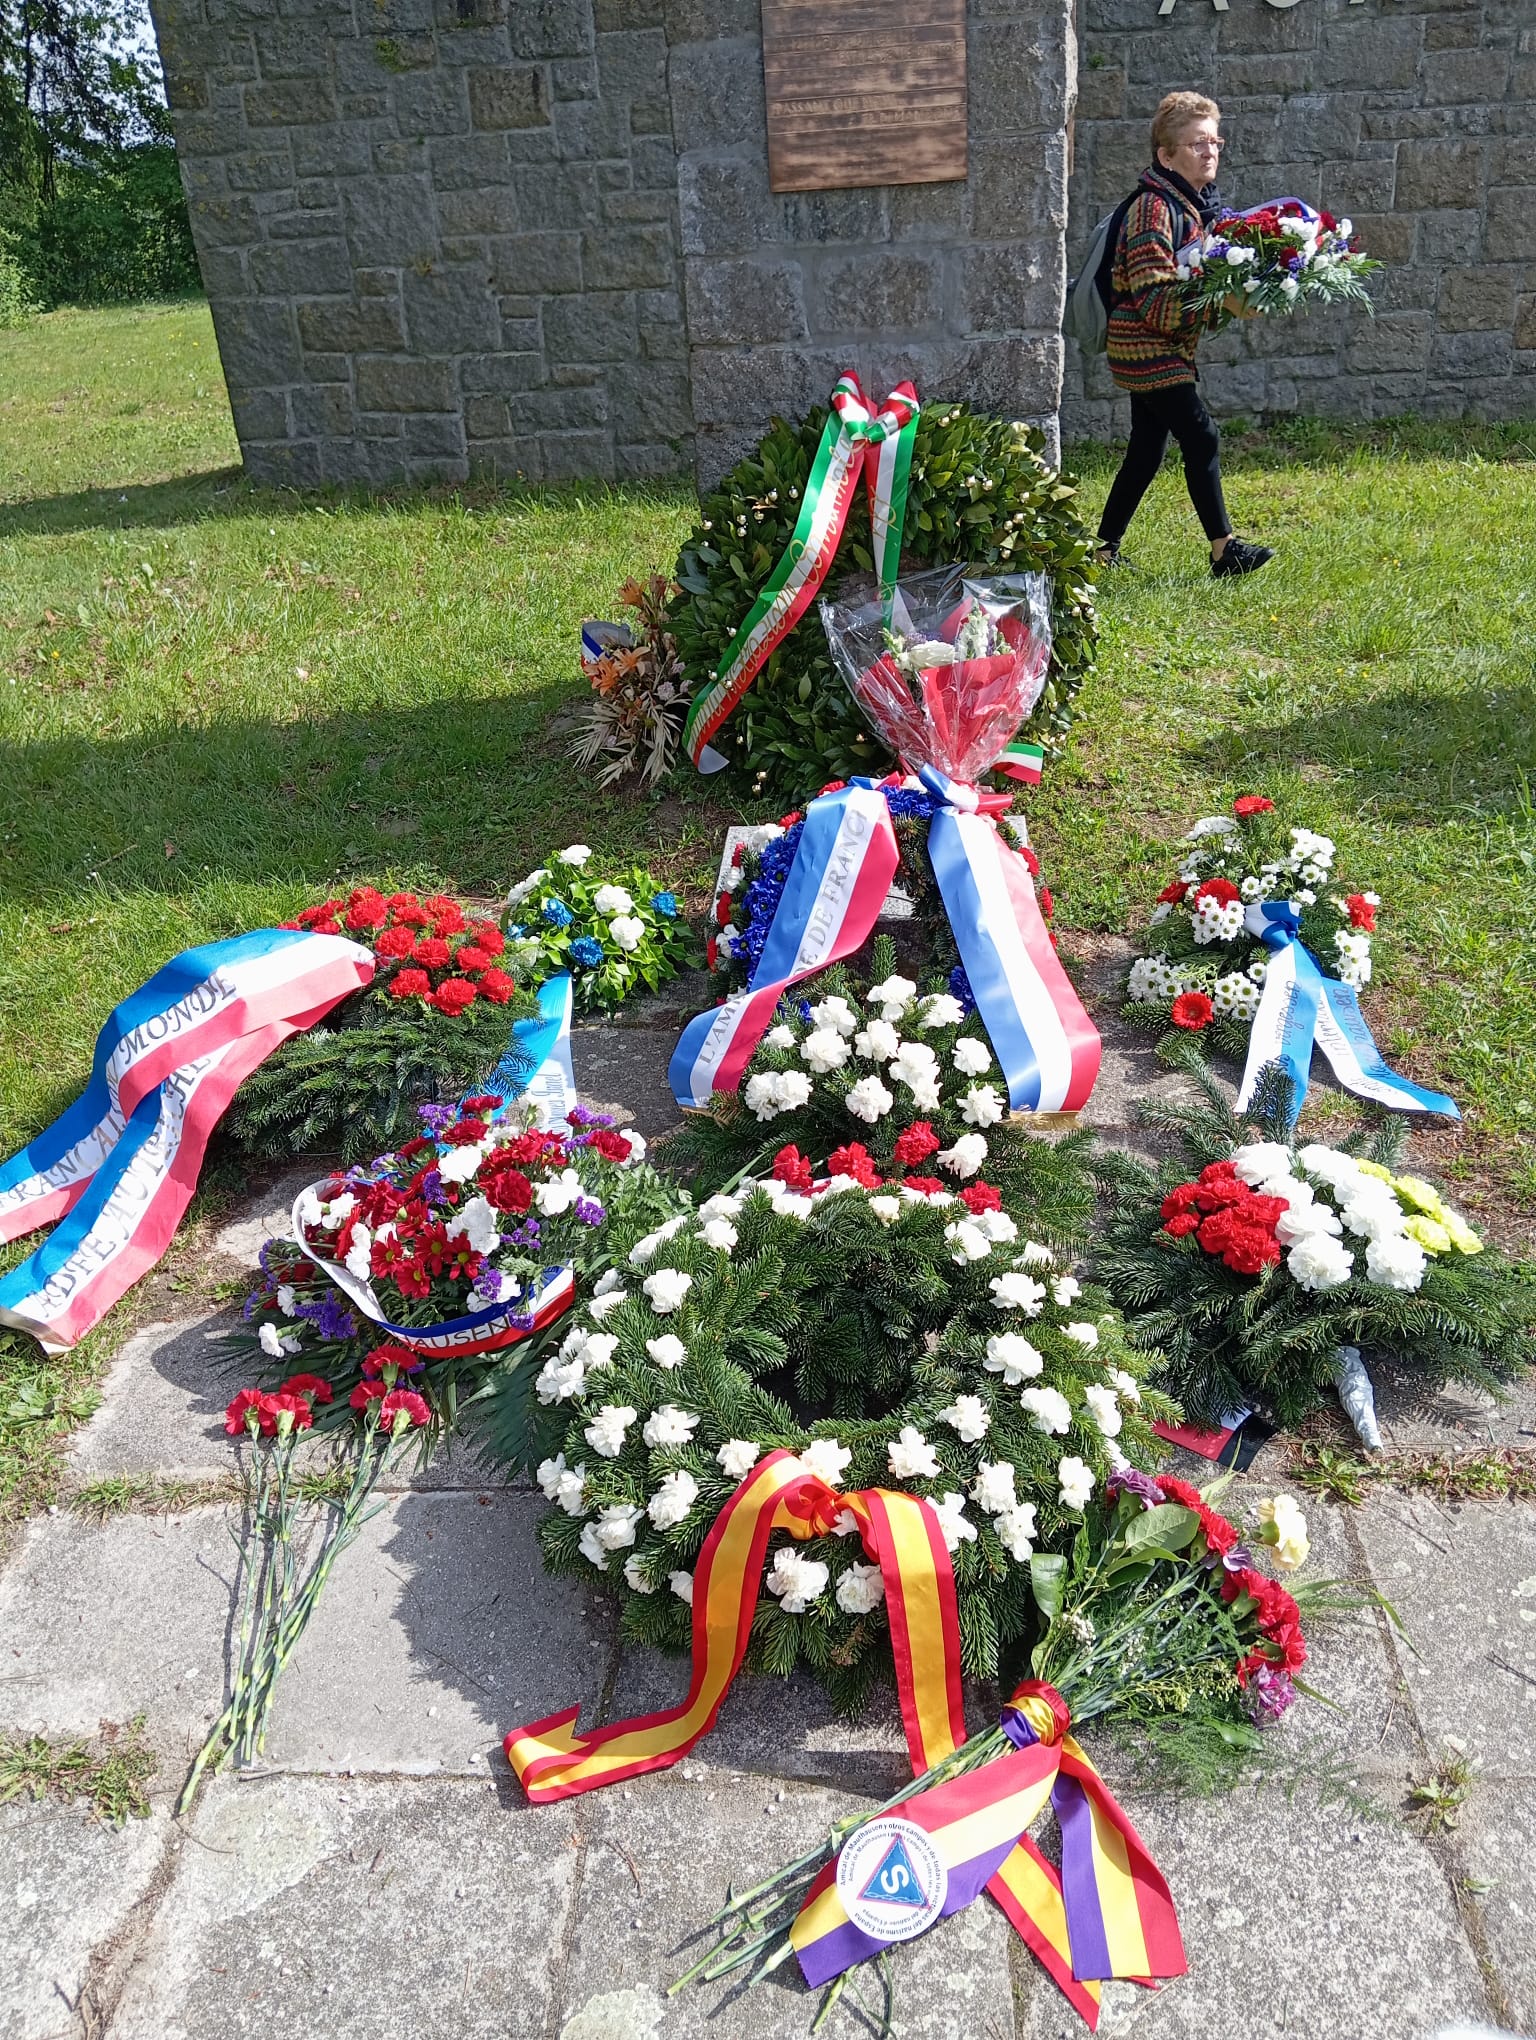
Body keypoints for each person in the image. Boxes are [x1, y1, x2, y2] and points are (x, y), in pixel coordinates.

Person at [1096, 91, 1272, 579]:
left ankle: (1103, 551)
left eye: (1215, 141)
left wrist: (1236, 296)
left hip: (1160, 346)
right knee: (1201, 435)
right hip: (1146, 348)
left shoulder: (1193, 207)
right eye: (1198, 143)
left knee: (1146, 450)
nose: (1210, 151)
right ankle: (1224, 551)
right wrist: (1224, 302)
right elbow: (1154, 300)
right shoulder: (1153, 209)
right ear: (1167, 156)